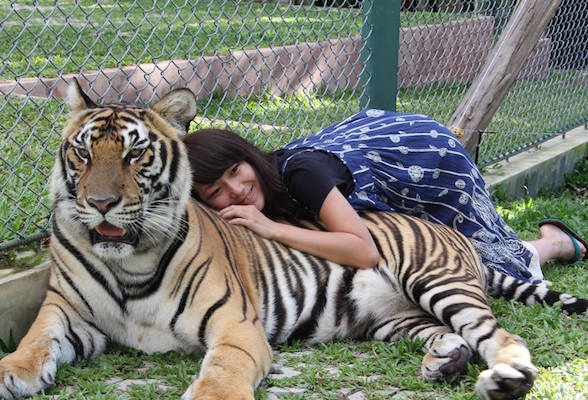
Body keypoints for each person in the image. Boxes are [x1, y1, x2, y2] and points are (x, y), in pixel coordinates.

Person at [184, 109, 587, 283]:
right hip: (380, 163)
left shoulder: (300, 174)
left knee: (489, 268)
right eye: (216, 190)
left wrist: (271, 230)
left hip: (426, 160)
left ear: (248, 155)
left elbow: (364, 252)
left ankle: (556, 242)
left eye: (236, 170)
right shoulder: (264, 193)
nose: (235, 190)